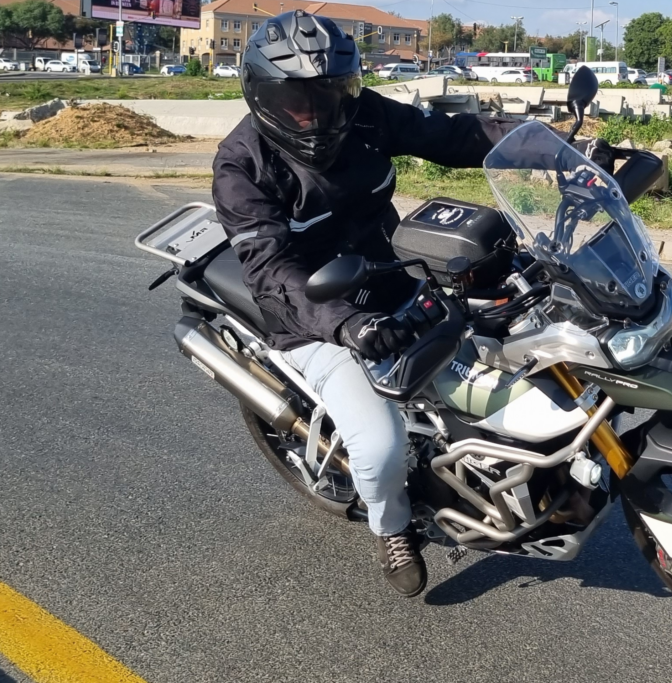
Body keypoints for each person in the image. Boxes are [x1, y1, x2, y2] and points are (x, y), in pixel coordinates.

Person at [213, 10, 614, 598]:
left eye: (332, 93)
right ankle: (392, 526)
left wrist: (551, 147)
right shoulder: (241, 165)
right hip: (316, 319)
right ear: (262, 95)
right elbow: (271, 271)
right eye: (300, 99)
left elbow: (455, 136)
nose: (320, 112)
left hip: (396, 274)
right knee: (379, 445)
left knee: (525, 332)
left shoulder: (364, 116)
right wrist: (347, 326)